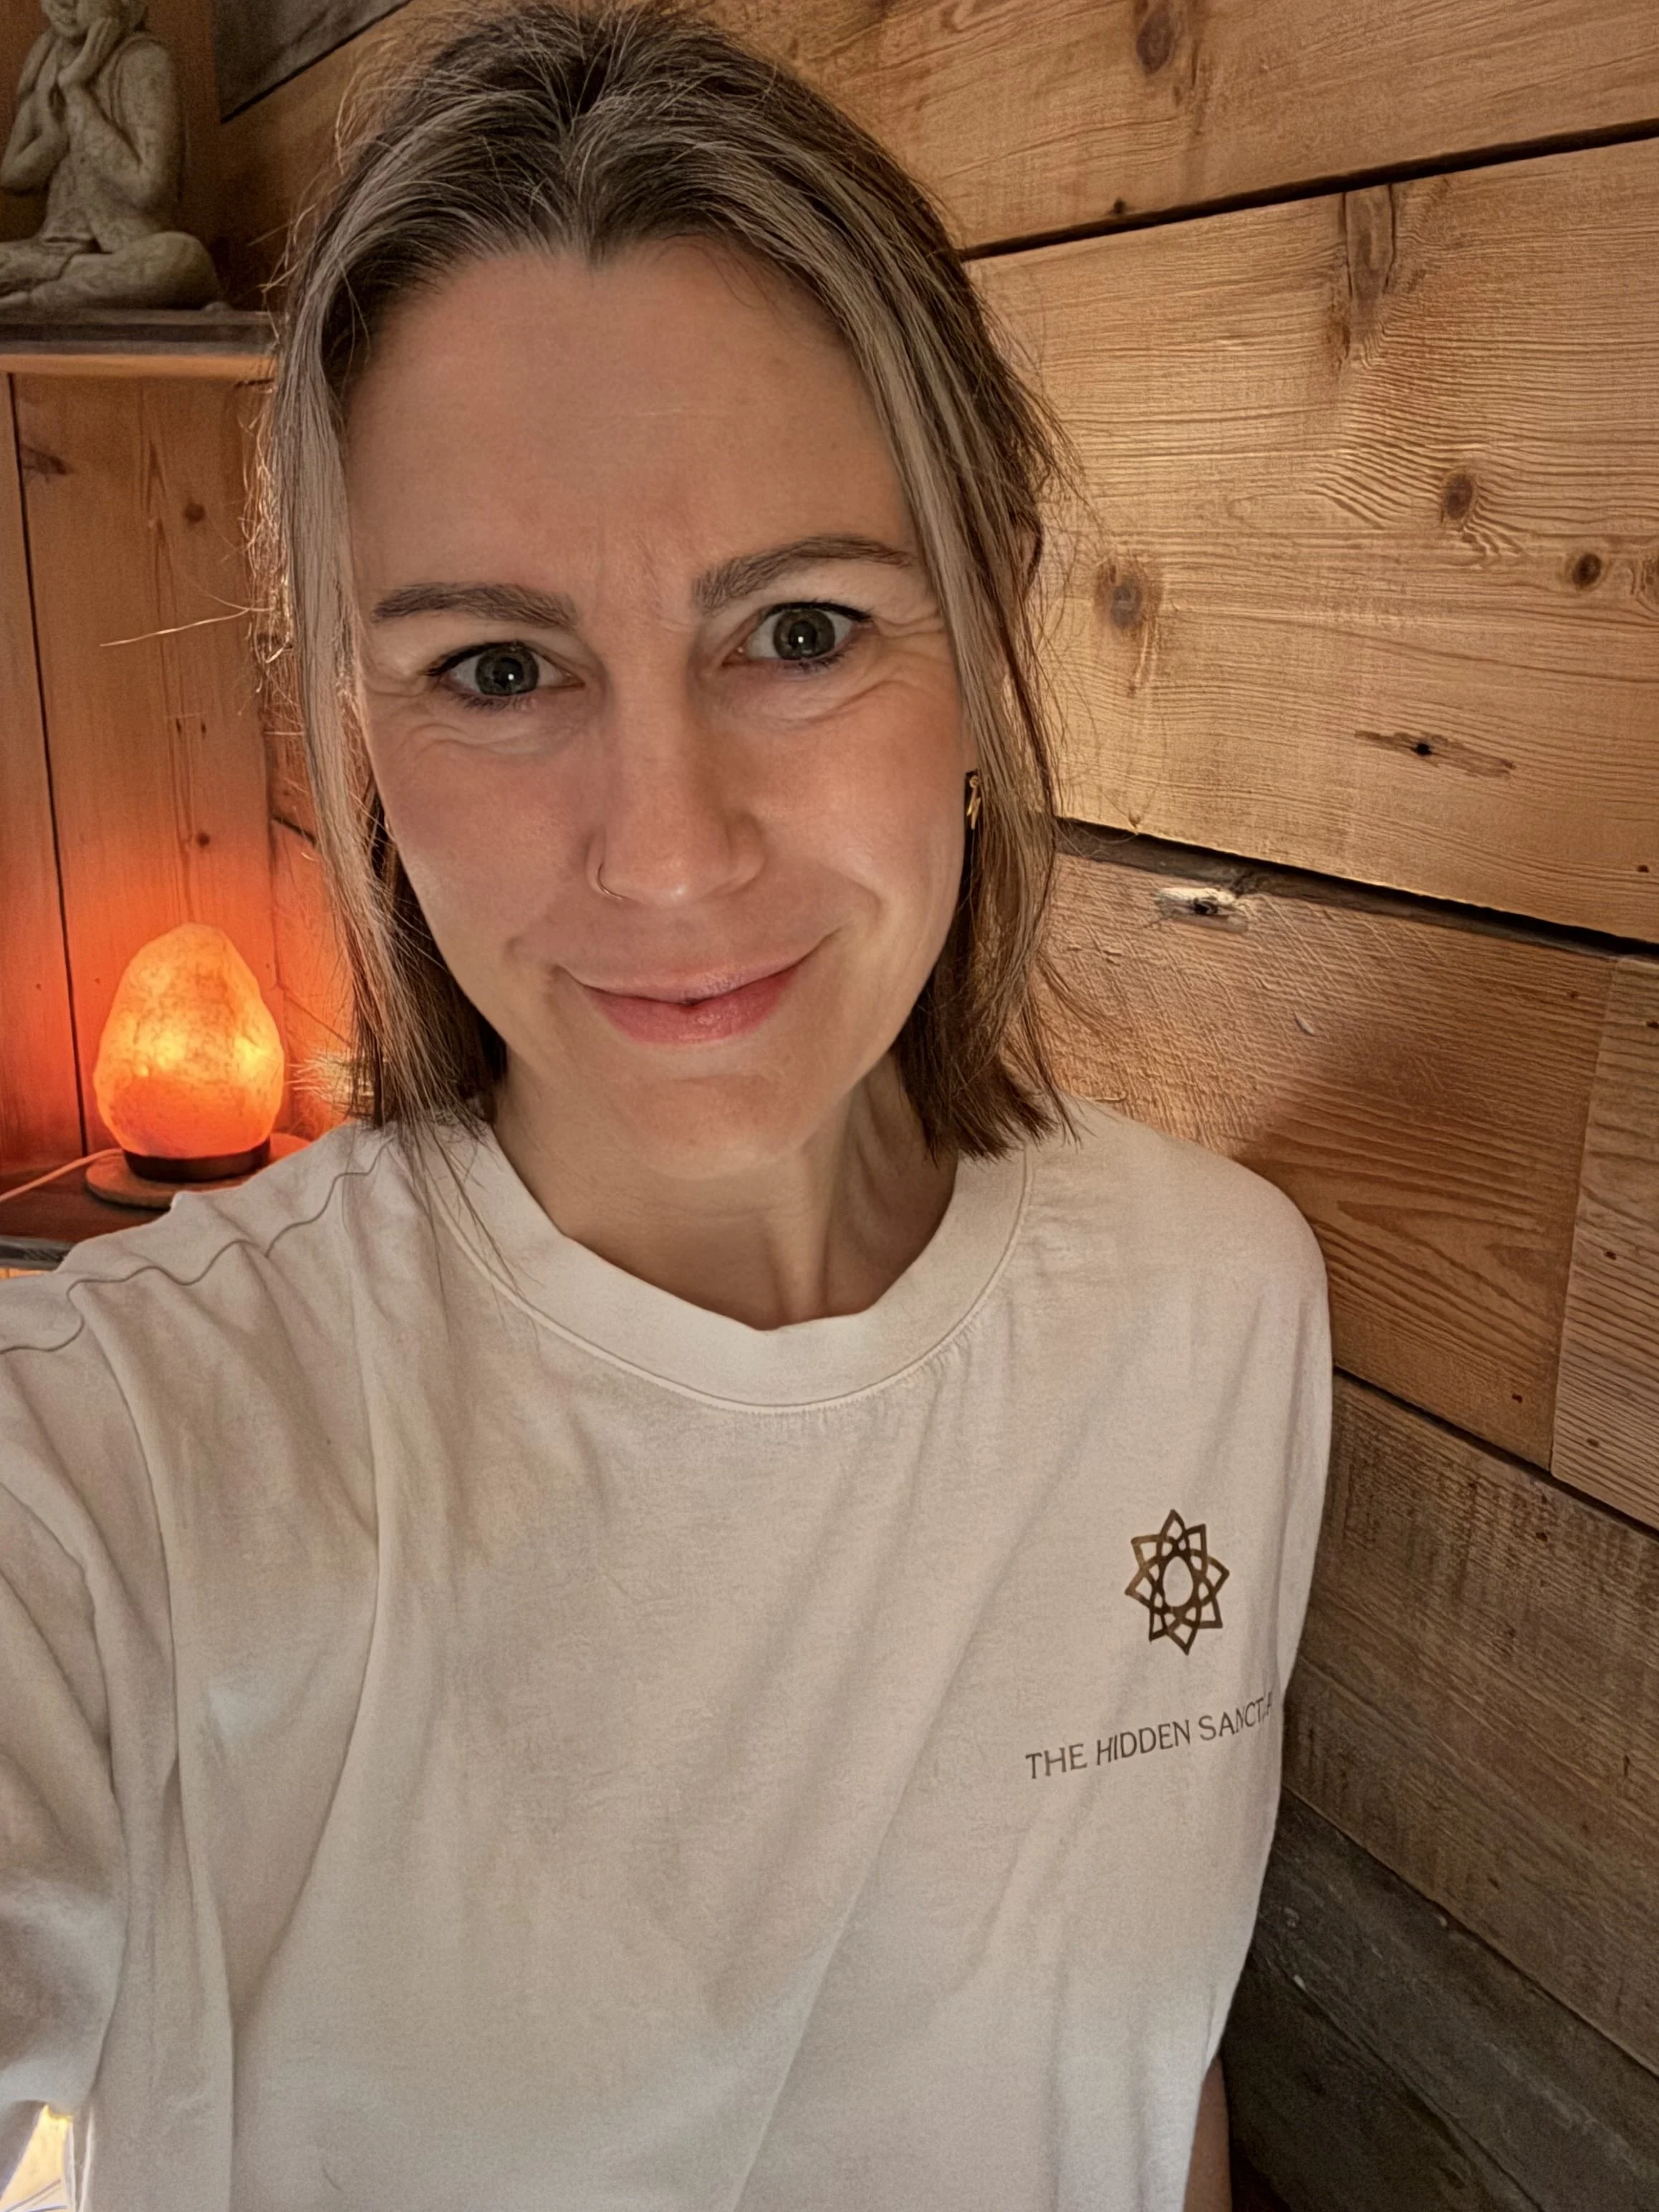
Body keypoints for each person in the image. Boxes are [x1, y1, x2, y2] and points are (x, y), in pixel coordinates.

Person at [0, 4, 1332, 2205]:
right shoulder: (126, 1446)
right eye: (498, 672)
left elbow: (1133, 2069)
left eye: (799, 632)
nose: (672, 851)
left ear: (986, 656)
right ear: (359, 739)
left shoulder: (1213, 1312)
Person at [0, 0, 218, 311]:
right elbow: (12, 178)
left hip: (132, 251)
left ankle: (36, 303)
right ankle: (63, 285)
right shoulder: (45, 62)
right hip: (54, 255)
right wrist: (57, 135)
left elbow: (148, 188)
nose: (64, 4)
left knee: (182, 260)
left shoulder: (144, 61)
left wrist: (76, 92)